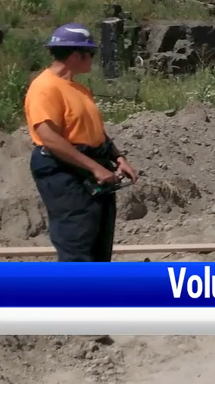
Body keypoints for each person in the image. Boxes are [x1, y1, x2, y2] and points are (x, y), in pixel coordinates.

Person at [24, 23, 138, 262]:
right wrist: (95, 168)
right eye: (91, 54)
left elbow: (93, 131)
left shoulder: (78, 89)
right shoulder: (45, 88)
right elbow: (49, 138)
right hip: (64, 171)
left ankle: (95, 297)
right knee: (77, 243)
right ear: (76, 54)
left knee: (99, 245)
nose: (93, 59)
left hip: (90, 164)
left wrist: (117, 157)